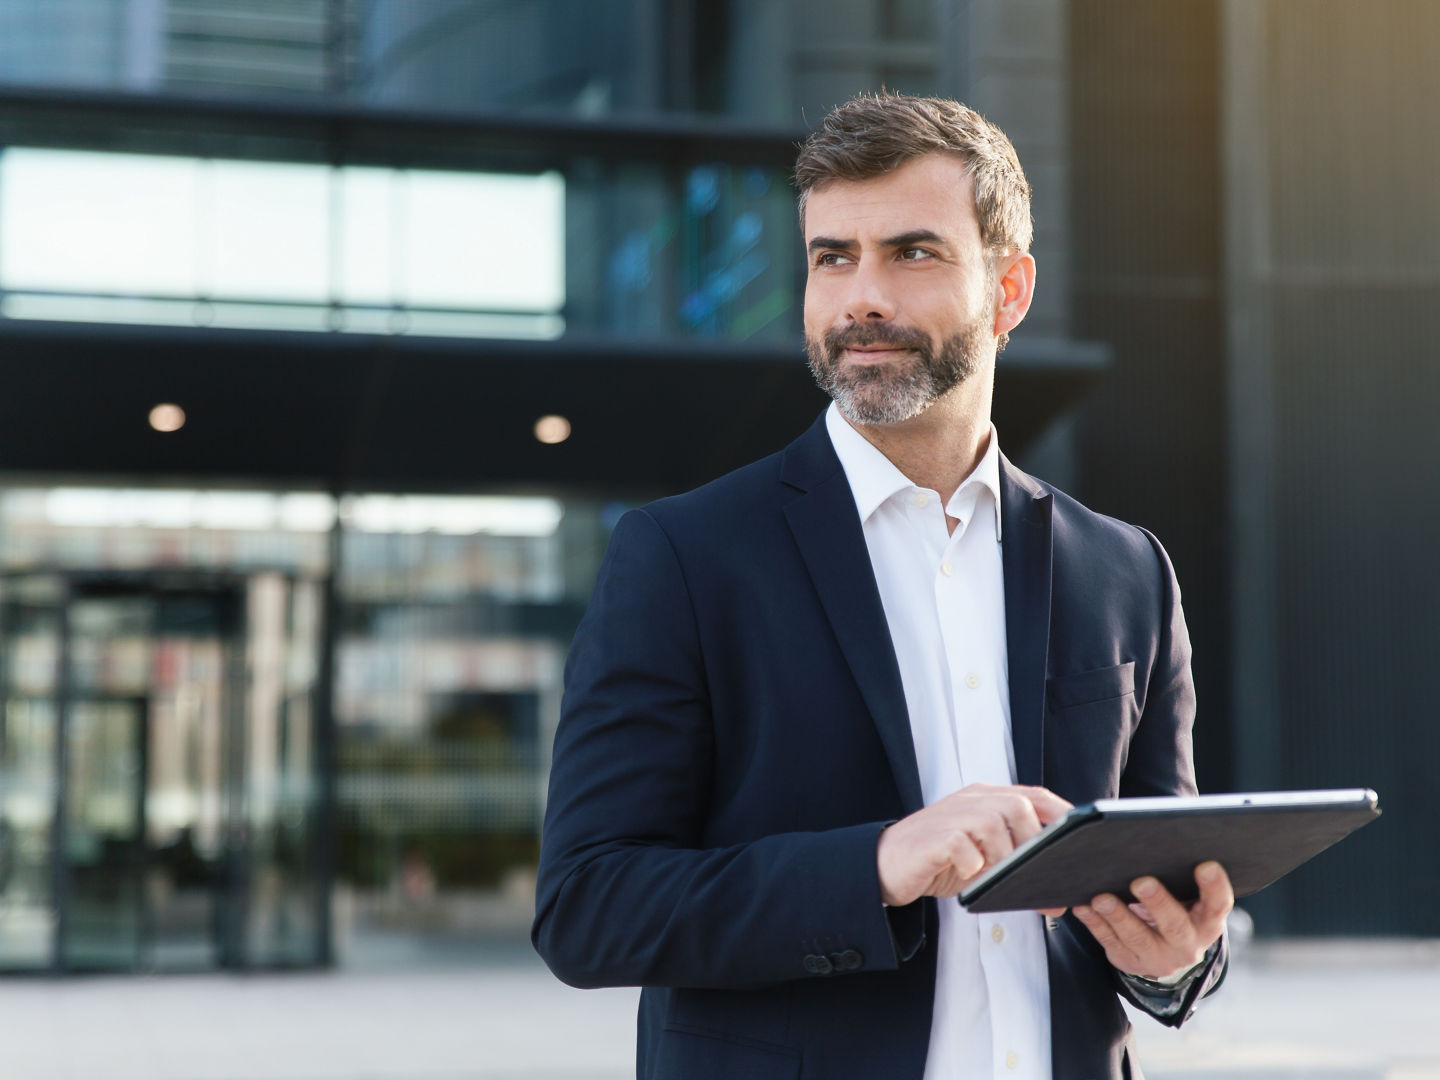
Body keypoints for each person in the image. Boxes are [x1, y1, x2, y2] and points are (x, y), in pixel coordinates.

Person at [532, 92, 1230, 1080]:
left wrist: (1176, 961)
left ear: (1010, 290)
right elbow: (588, 909)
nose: (863, 296)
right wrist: (874, 866)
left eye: (912, 253)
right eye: (833, 257)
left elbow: (1160, 887)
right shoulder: (684, 556)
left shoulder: (1125, 570)